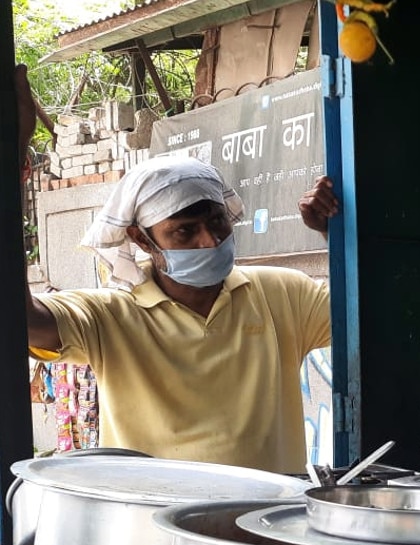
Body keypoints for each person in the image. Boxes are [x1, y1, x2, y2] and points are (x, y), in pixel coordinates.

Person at [16, 64, 342, 474]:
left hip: (266, 528)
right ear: (139, 239)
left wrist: (338, 236)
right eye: (184, 232)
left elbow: (365, 311)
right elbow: (23, 320)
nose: (209, 240)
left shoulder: (284, 294)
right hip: (153, 533)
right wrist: (14, 153)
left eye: (218, 222)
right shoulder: (109, 318)